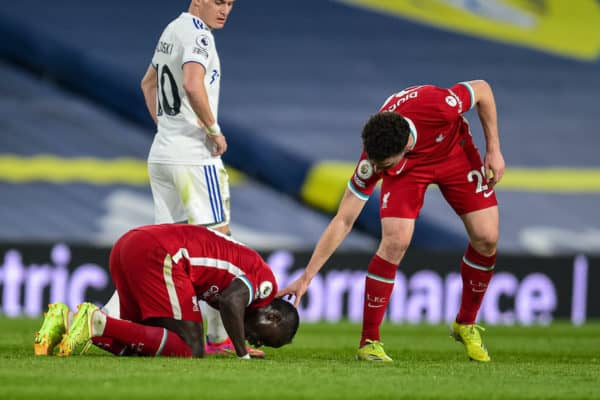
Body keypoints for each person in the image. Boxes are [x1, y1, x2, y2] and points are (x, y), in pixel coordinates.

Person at [278, 80, 505, 363]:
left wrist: (493, 149)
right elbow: (344, 219)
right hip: (410, 171)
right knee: (395, 240)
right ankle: (369, 341)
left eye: (384, 167)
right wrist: (306, 276)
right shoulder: (375, 157)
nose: (379, 171)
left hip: (453, 151)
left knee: (487, 237)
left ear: (404, 145)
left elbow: (482, 89)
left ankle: (465, 323)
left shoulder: (440, 107)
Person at [136, 0, 244, 356]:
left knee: (159, 255)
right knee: (217, 247)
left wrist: (168, 130)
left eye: (230, 2)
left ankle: (99, 321)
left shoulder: (172, 28)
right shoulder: (200, 36)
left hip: (163, 153)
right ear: (198, 0)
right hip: (194, 159)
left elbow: (148, 83)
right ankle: (217, 339)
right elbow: (192, 83)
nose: (225, 9)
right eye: (218, 1)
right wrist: (213, 130)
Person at [34, 224, 299, 358]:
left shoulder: (249, 287)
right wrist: (242, 352)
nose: (257, 342)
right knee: (192, 346)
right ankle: (96, 322)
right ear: (274, 317)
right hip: (161, 254)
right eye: (265, 339)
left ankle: (65, 322)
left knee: (144, 345)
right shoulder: (266, 286)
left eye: (259, 345)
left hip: (131, 244)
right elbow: (231, 301)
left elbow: (228, 302)